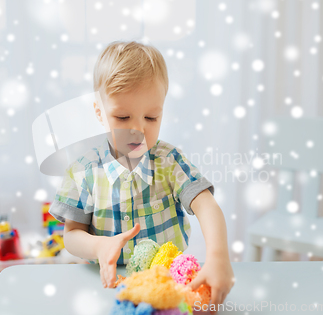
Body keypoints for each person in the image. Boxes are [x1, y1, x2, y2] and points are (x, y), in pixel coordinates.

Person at [49, 40, 234, 306]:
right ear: (100, 113)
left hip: (167, 286)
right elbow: (71, 235)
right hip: (105, 286)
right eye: (123, 118)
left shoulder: (169, 161)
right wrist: (98, 247)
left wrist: (218, 257)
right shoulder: (83, 172)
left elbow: (206, 205)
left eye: (151, 118)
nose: (138, 130)